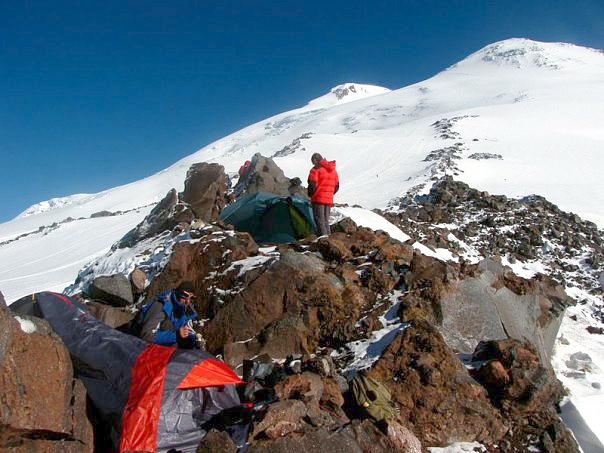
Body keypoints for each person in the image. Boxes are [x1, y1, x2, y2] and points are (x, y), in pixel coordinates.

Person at [140, 281, 198, 348]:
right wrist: (176, 336)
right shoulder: (161, 305)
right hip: (143, 344)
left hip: (167, 347)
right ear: (177, 293)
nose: (187, 301)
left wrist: (192, 338)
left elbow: (185, 330)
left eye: (191, 298)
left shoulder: (186, 311)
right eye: (184, 295)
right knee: (168, 324)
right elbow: (146, 335)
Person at [307, 153, 339, 236]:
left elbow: (312, 184)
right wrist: (329, 194)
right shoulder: (333, 170)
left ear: (315, 160)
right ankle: (330, 239)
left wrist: (310, 194)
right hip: (328, 200)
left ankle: (324, 240)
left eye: (312, 161)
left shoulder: (315, 169)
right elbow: (337, 186)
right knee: (326, 221)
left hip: (318, 198)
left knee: (320, 220)